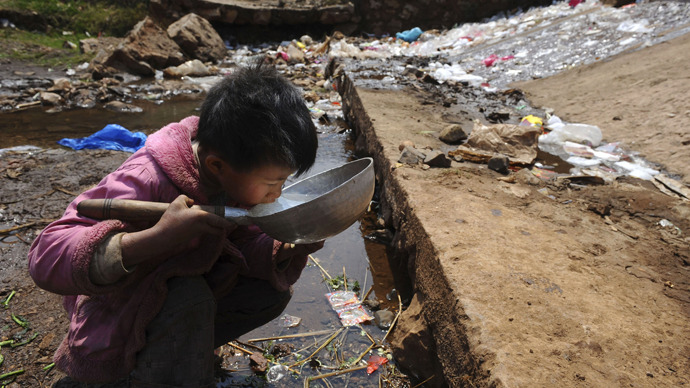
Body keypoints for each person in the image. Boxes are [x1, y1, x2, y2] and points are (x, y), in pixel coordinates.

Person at [28, 62, 324, 387]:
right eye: (273, 183)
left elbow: (242, 242)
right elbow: (45, 254)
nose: (277, 193)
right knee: (189, 296)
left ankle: (177, 358)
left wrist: (284, 247)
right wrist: (158, 237)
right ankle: (127, 375)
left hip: (175, 302)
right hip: (120, 313)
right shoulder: (147, 177)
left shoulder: (234, 177)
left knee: (269, 292)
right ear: (217, 165)